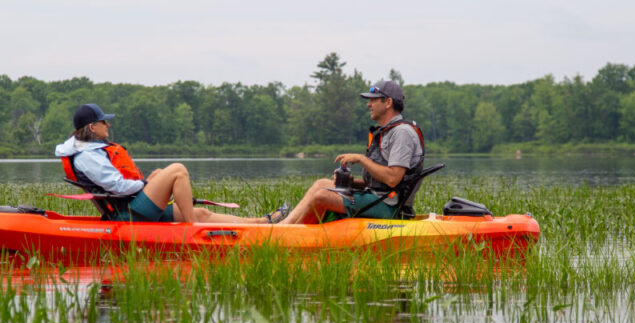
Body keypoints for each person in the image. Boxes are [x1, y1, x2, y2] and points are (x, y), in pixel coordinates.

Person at [55, 103, 285, 224]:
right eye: (104, 122)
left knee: (201, 212)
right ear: (92, 127)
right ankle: (193, 228)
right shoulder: (87, 156)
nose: (108, 125)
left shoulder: (86, 150)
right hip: (128, 214)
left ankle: (261, 223)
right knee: (177, 170)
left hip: (130, 206)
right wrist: (147, 186)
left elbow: (118, 186)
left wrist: (149, 183)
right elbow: (117, 186)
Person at [277, 80, 424, 225]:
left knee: (322, 197)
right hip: (378, 198)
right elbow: (379, 184)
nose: (368, 104)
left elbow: (393, 179)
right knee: (321, 184)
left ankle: (294, 236)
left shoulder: (402, 133)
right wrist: (353, 183)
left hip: (390, 206)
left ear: (388, 102)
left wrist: (361, 159)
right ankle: (284, 226)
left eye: (373, 100)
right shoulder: (386, 132)